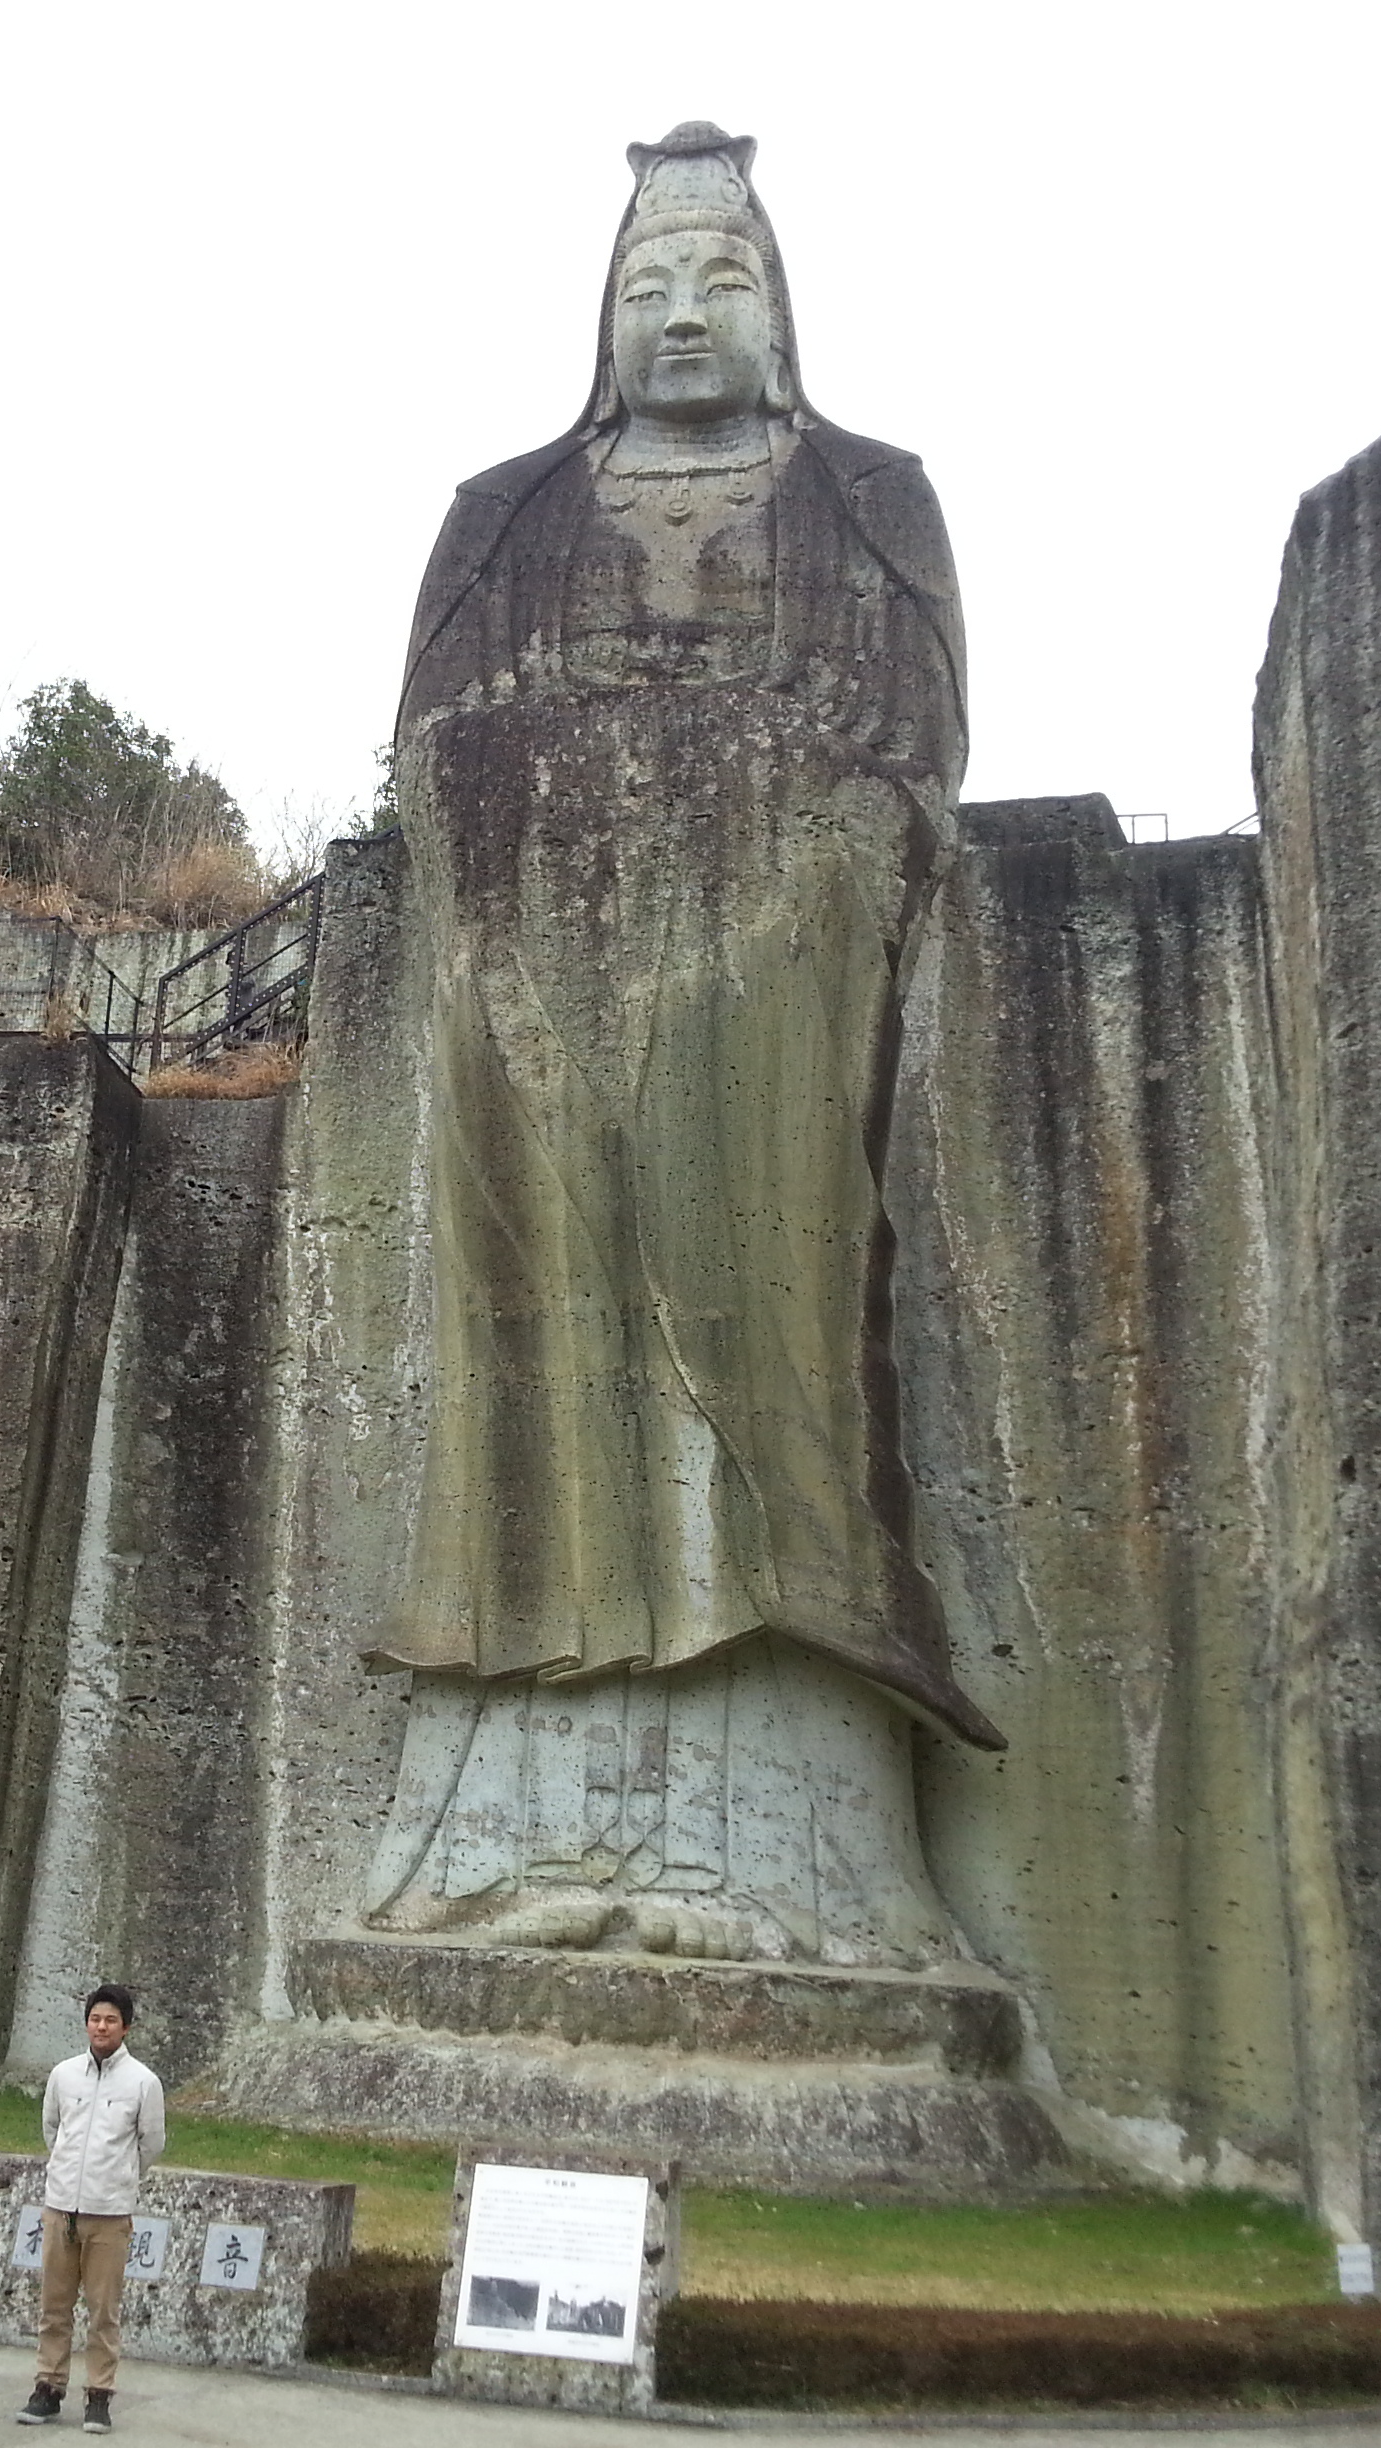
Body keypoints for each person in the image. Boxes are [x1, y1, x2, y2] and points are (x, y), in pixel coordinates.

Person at [362, 123, 1006, 1967]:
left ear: (782, 309)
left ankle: (786, 1834)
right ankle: (501, 1821)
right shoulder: (505, 509)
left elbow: (913, 756)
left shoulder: (866, 493)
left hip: (776, 958)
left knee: (776, 1314)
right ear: (597, 316)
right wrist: (561, 772)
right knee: (531, 1342)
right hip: (532, 953)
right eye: (645, 286)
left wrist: (756, 809)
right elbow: (424, 744)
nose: (681, 316)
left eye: (720, 281)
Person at [18, 1985, 164, 2434]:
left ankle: (99, 2395)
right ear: (87, 2023)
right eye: (95, 2019)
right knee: (54, 2305)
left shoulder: (143, 2082)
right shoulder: (63, 2075)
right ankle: (48, 2387)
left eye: (111, 2021)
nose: (102, 2027)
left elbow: (150, 2144)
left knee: (103, 2311)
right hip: (61, 2209)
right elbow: (51, 2129)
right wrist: (68, 2179)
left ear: (126, 2028)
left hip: (109, 2214)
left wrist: (114, 2180)